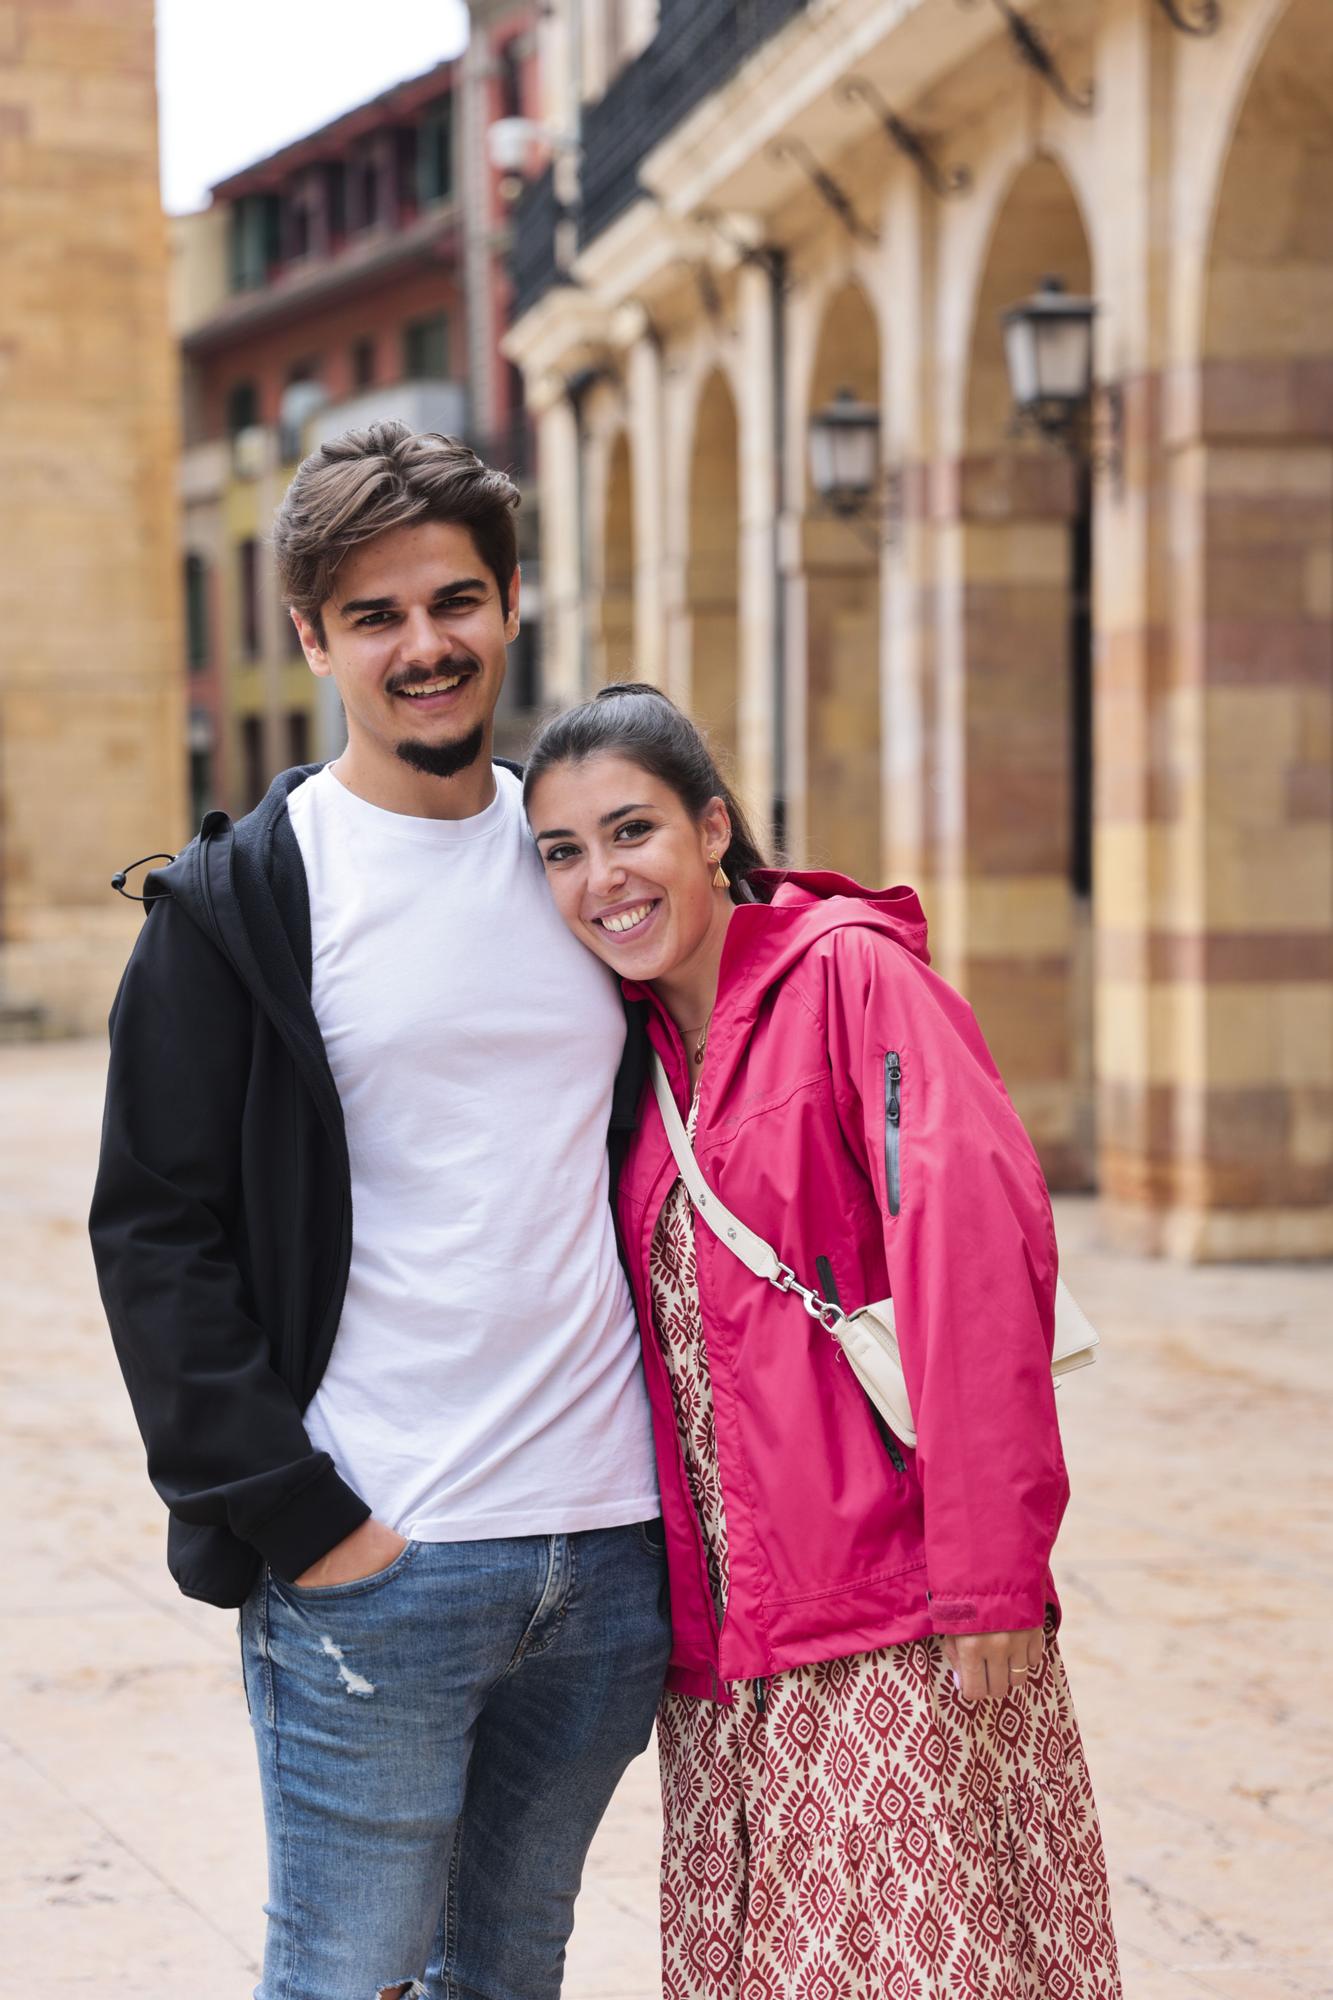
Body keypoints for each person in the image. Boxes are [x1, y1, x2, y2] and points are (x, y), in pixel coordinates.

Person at [88, 426, 670, 2000]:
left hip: (611, 1544)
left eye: (456, 601)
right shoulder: (239, 906)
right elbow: (153, 1228)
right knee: (345, 1979)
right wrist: (304, 1520)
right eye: (375, 615)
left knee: (508, 1974)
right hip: (378, 1560)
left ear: (512, 603)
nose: (426, 647)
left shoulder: (592, 859)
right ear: (312, 636)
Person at [523, 683, 1122, 2000]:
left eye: (631, 832)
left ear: (713, 827)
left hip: (895, 1616)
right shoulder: (624, 1052)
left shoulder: (851, 979)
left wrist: (985, 1579)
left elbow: (975, 1268)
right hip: (734, 1657)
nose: (602, 878)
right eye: (562, 852)